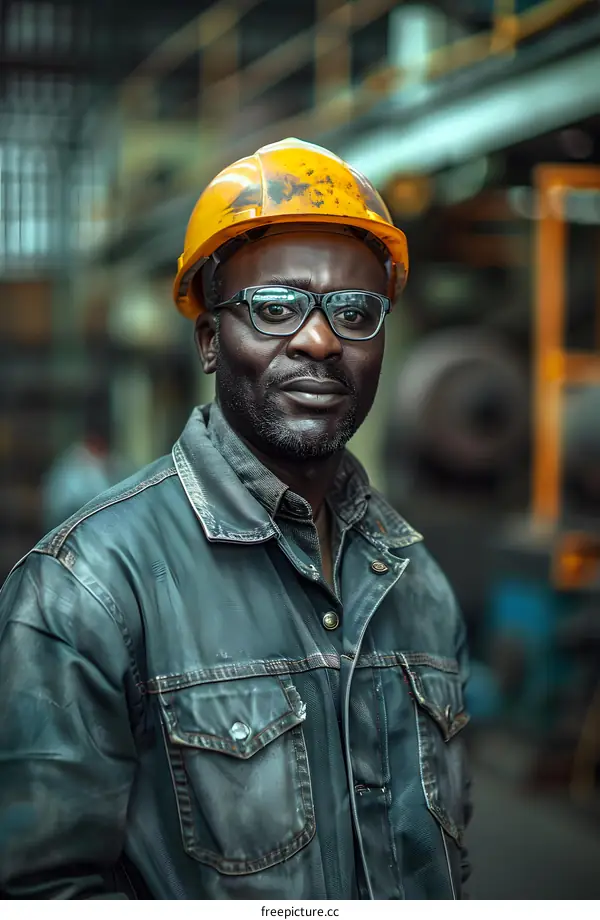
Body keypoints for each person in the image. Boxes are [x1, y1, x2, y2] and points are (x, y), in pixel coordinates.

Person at [0, 138, 471, 900]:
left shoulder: (418, 586)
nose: (320, 340)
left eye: (355, 312)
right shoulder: (83, 594)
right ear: (211, 339)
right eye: (275, 307)